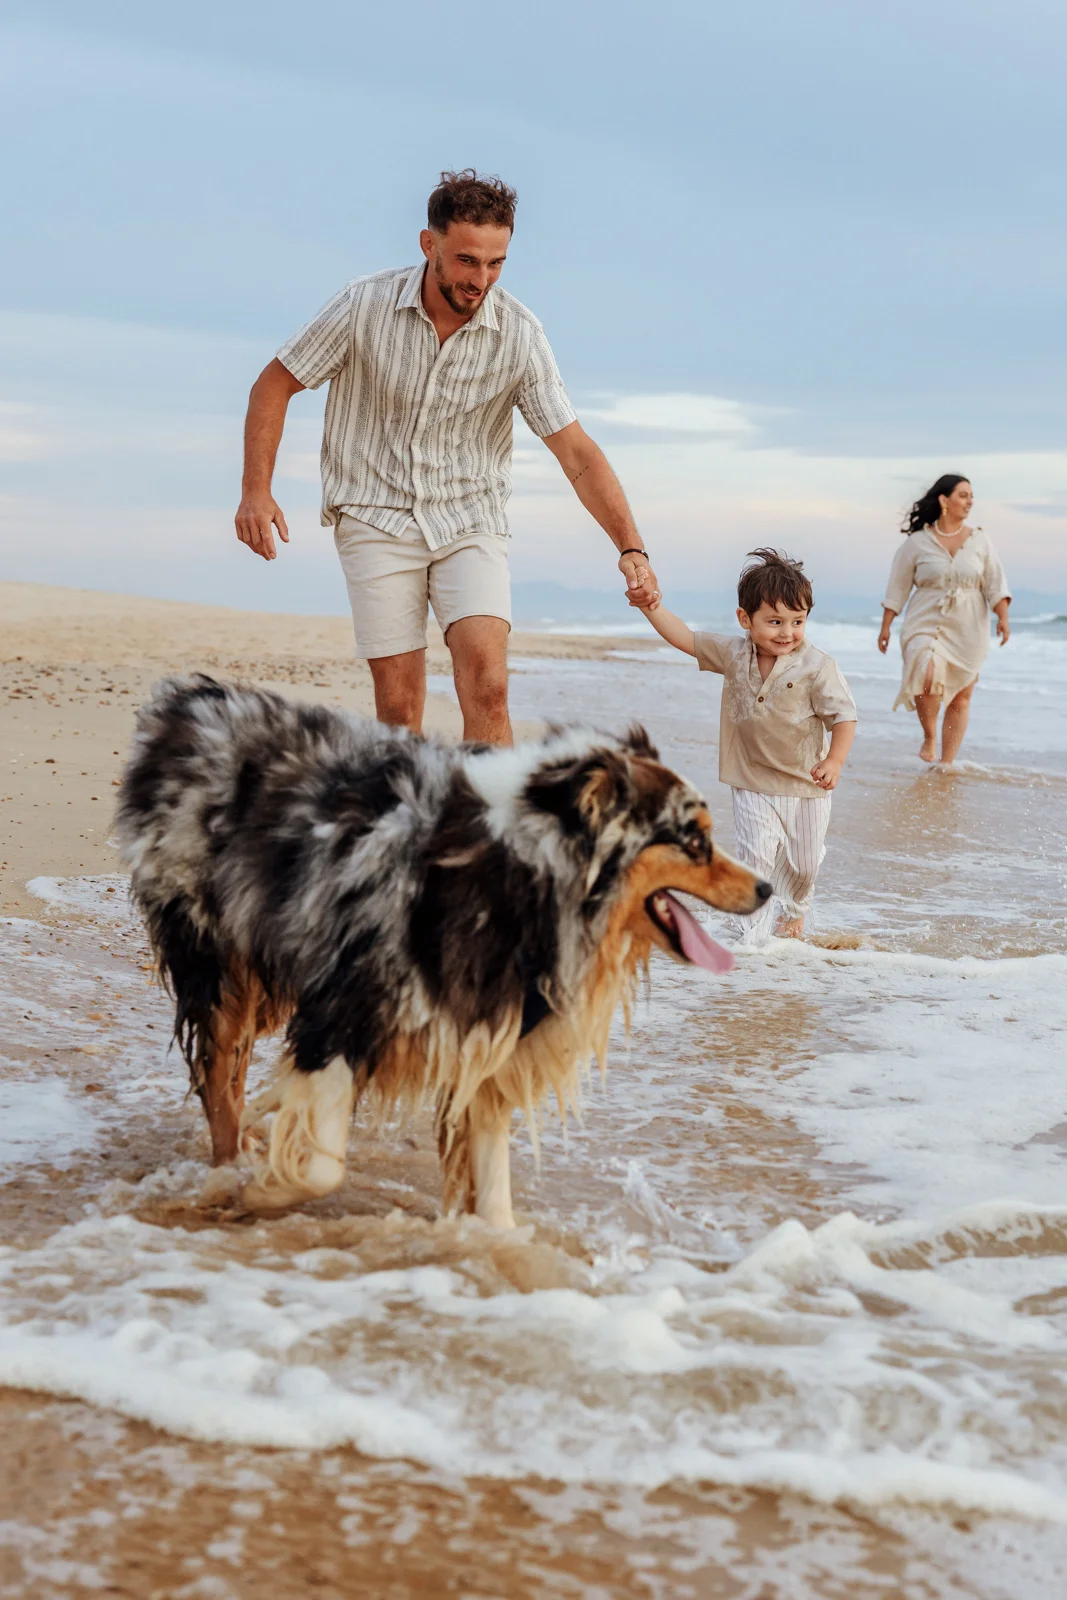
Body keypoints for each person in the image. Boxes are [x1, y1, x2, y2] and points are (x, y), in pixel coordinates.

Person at [234, 170, 659, 746]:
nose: (480, 279)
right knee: (400, 705)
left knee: (488, 686)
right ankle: (410, 830)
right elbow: (274, 383)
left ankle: (490, 834)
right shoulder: (364, 305)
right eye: (466, 260)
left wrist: (630, 546)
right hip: (374, 514)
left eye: (496, 263)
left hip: (470, 519)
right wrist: (256, 491)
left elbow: (577, 452)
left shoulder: (519, 334)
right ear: (428, 244)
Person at [639, 549, 857, 944]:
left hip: (807, 784)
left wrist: (835, 760)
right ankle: (751, 940)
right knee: (756, 855)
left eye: (797, 621)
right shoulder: (734, 653)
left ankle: (794, 911)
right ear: (745, 619)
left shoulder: (817, 667)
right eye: (774, 622)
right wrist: (651, 608)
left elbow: (844, 717)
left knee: (804, 865)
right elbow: (684, 638)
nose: (787, 632)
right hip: (751, 778)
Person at [878, 475, 1011, 764]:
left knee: (961, 697)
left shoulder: (980, 540)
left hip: (969, 626)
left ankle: (946, 764)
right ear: (944, 500)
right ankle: (929, 735)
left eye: (971, 496)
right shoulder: (916, 543)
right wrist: (886, 624)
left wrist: (1003, 618)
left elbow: (995, 584)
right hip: (923, 619)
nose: (970, 501)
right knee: (926, 672)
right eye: (963, 495)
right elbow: (897, 586)